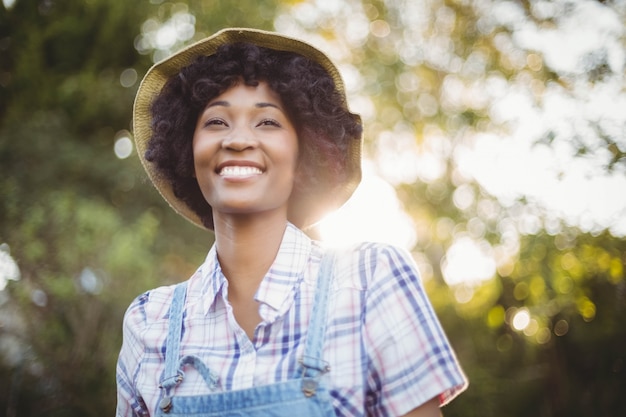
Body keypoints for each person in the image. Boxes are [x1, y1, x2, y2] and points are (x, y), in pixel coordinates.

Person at [116, 28, 467, 417]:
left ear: (305, 153)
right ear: (187, 148)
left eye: (267, 122)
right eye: (216, 121)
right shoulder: (150, 321)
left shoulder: (370, 280)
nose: (238, 139)